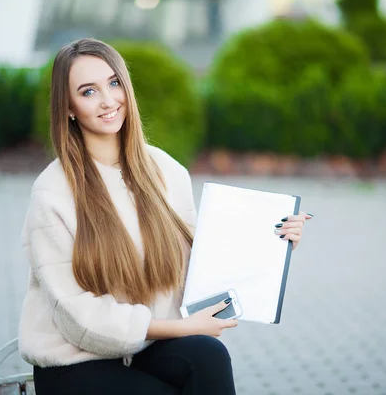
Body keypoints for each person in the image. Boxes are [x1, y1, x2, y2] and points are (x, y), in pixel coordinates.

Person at [18, 38, 310, 395]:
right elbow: (77, 315)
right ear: (69, 108)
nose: (109, 100)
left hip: (144, 347)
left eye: (113, 83)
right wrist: (179, 329)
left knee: (208, 356)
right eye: (88, 91)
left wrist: (273, 244)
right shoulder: (53, 193)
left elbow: (194, 268)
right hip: (76, 362)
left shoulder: (165, 171)